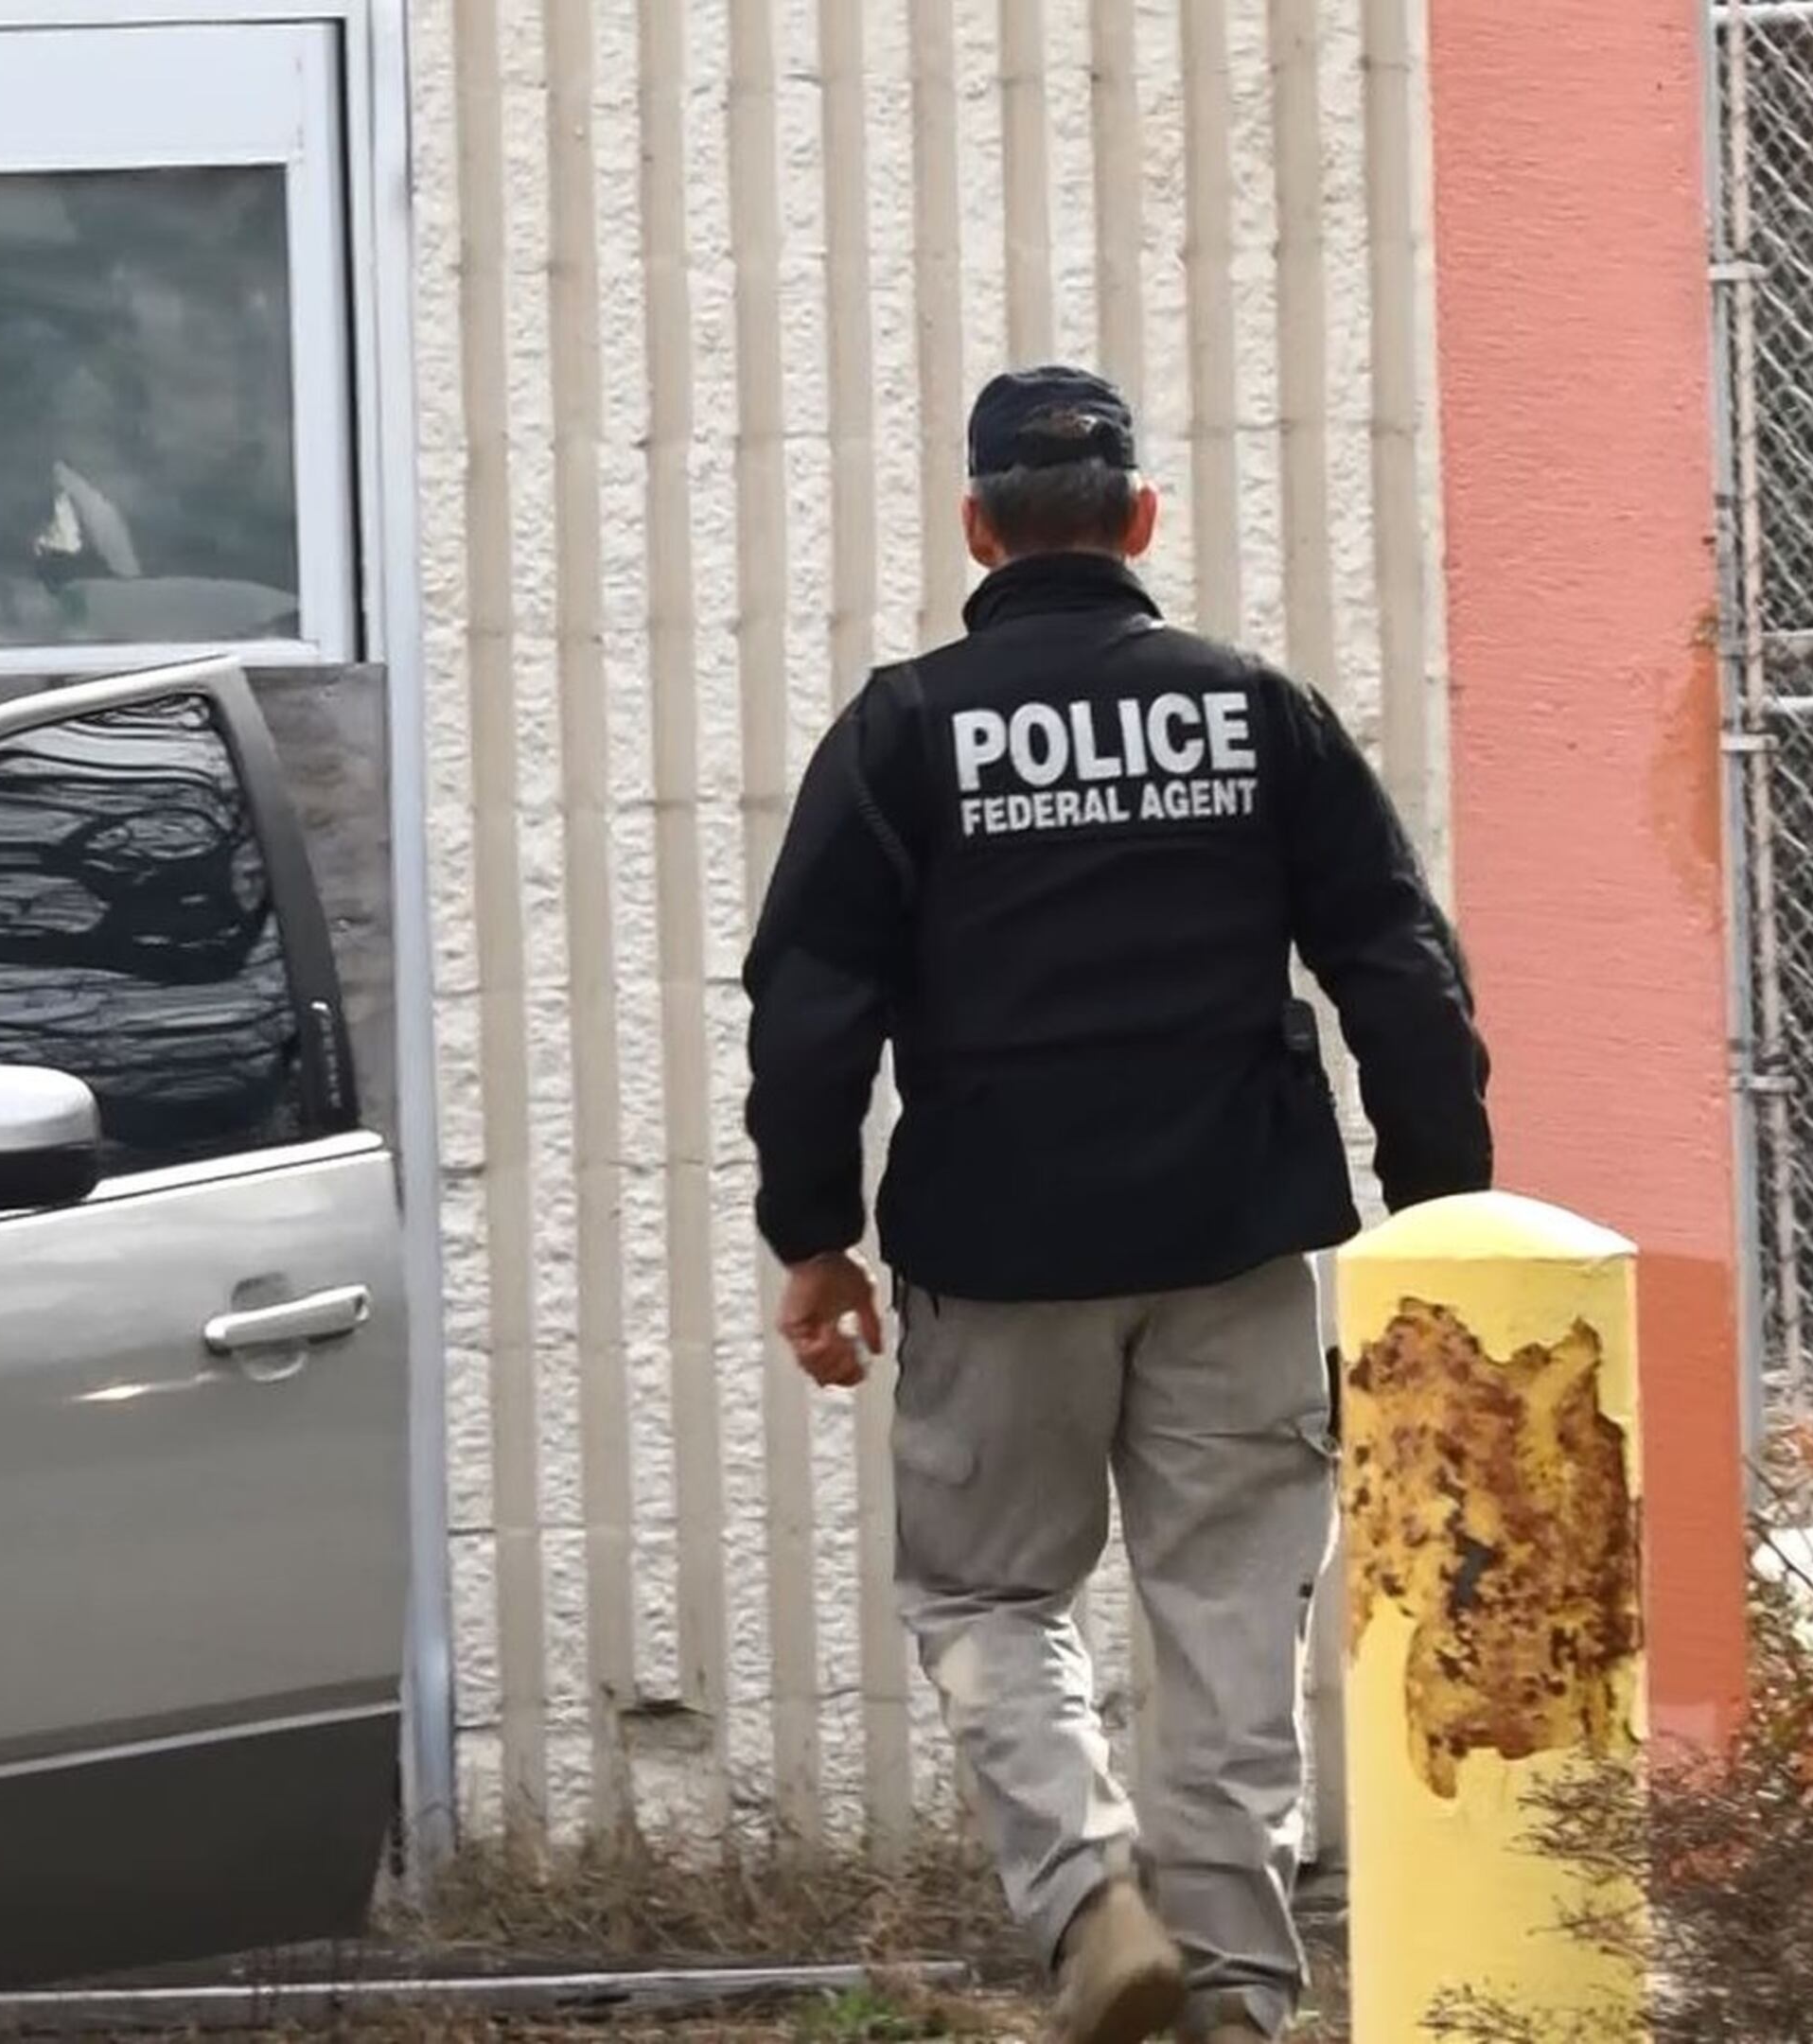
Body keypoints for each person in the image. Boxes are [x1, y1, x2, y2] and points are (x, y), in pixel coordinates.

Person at [739, 364, 1495, 2044]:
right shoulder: (1255, 711)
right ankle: (1232, 2006)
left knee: (988, 1598)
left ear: (977, 528)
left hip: (998, 1259)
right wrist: (1437, 1218)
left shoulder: (904, 730)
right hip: (1235, 1249)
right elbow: (1401, 969)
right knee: (1227, 1623)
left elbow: (807, 1007)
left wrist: (815, 1233)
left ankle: (1091, 1902)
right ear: (1141, 520)